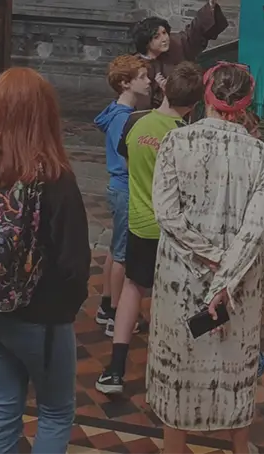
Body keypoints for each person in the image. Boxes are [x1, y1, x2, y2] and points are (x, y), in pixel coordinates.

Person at [0, 68, 90, 454]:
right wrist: (64, 310)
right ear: (45, 114)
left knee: (3, 407)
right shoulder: (54, 178)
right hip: (41, 316)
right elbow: (73, 263)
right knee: (54, 412)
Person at [147, 62, 264, 454]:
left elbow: (166, 215)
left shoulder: (176, 142)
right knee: (234, 365)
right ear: (247, 102)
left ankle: (174, 449)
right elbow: (254, 230)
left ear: (207, 96)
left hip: (180, 275)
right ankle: (239, 449)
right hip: (238, 283)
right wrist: (225, 275)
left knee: (179, 366)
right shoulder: (259, 154)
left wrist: (209, 257)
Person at [95, 61, 204, 394]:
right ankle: (168, 374)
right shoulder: (187, 136)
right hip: (174, 229)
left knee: (133, 288)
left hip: (142, 221)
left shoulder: (133, 122)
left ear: (165, 89)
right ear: (194, 104)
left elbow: (128, 162)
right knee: (172, 298)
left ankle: (115, 369)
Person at [93, 55, 151, 335]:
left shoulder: (118, 113)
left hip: (119, 188)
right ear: (126, 83)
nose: (148, 81)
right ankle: (117, 313)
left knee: (115, 249)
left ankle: (107, 303)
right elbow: (126, 158)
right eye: (143, 77)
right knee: (122, 255)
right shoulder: (123, 120)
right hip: (125, 187)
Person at [131, 0, 229, 110]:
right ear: (146, 42)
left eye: (165, 33)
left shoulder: (176, 43)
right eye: (157, 37)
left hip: (184, 110)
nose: (164, 38)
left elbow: (195, 31)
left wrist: (211, 4)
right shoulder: (136, 65)